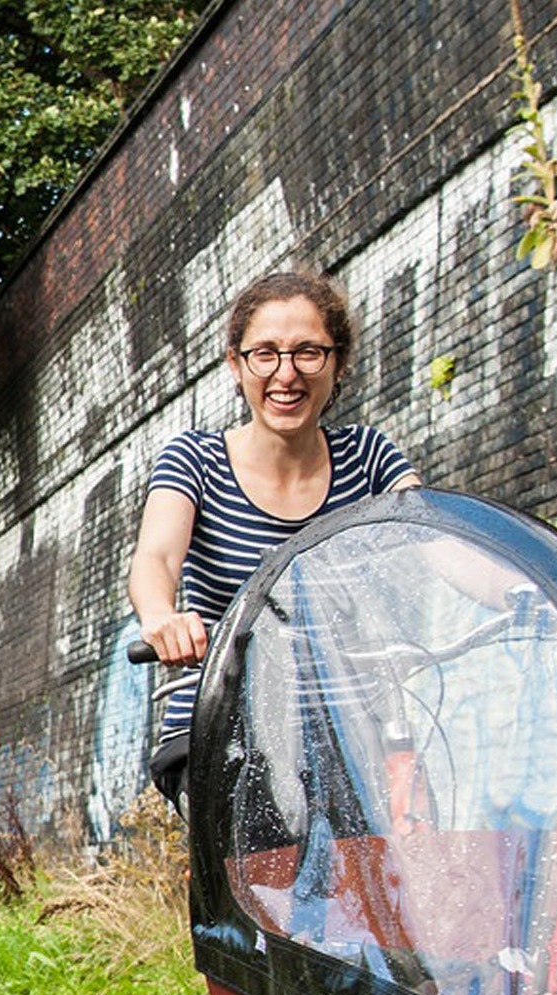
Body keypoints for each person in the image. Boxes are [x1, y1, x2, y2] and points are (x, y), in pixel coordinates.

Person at [125, 270, 421, 805]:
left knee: (382, 871)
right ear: (236, 365)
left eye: (308, 352)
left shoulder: (368, 457)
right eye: (265, 354)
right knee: (263, 874)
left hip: (345, 728)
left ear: (338, 363)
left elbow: (437, 538)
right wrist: (159, 617)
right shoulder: (196, 460)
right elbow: (157, 555)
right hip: (222, 724)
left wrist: (525, 591)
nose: (286, 374)